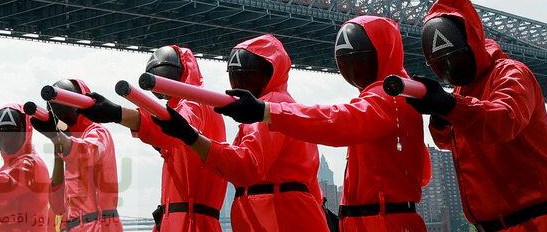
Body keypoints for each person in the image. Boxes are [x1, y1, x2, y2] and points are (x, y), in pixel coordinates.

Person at [213, 18, 429, 231]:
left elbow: (340, 122)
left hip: (384, 222)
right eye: (345, 61)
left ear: (384, 53)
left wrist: (266, 111)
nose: (351, 68)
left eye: (358, 59)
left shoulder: (391, 96)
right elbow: (424, 174)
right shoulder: (392, 98)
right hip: (368, 221)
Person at [407, 0, 547, 232]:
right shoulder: (463, 90)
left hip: (542, 223)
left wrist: (449, 105)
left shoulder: (512, 73)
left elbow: (504, 121)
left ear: (471, 44)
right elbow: (452, 142)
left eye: (455, 58)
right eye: (441, 65)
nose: (450, 68)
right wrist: (440, 117)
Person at [150, 35, 329, 232]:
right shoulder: (282, 108)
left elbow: (246, 166)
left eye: (247, 77)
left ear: (270, 74)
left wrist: (189, 136)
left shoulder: (273, 105)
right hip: (275, 216)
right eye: (235, 77)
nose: (240, 85)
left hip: (279, 218)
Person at [81, 45, 228, 232]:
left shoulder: (194, 103)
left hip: (190, 223)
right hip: (181, 219)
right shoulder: (202, 106)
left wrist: (116, 113)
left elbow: (175, 127)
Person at [32, 79, 123, 232]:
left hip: (99, 226)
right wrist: (57, 146)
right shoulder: (67, 145)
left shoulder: (98, 133)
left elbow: (87, 153)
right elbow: (57, 206)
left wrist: (58, 137)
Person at [0, 104, 51, 231]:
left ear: (26, 132)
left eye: (12, 135)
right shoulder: (7, 168)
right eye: (2, 135)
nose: (6, 141)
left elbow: (3, 185)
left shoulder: (31, 164)